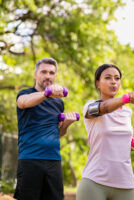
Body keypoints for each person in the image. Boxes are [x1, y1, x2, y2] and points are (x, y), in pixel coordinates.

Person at [76, 64, 134, 200]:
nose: (113, 81)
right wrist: (125, 99)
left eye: (117, 78)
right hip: (95, 182)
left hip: (125, 183)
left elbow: (117, 141)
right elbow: (105, 108)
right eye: (108, 78)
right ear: (97, 83)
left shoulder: (127, 112)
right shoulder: (91, 106)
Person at [14, 58, 78, 200]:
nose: (47, 76)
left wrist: (66, 124)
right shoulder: (26, 94)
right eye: (43, 72)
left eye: (51, 73)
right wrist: (46, 93)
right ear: (35, 74)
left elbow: (58, 133)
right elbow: (23, 103)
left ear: (55, 76)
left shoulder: (58, 103)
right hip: (30, 159)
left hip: (53, 160)